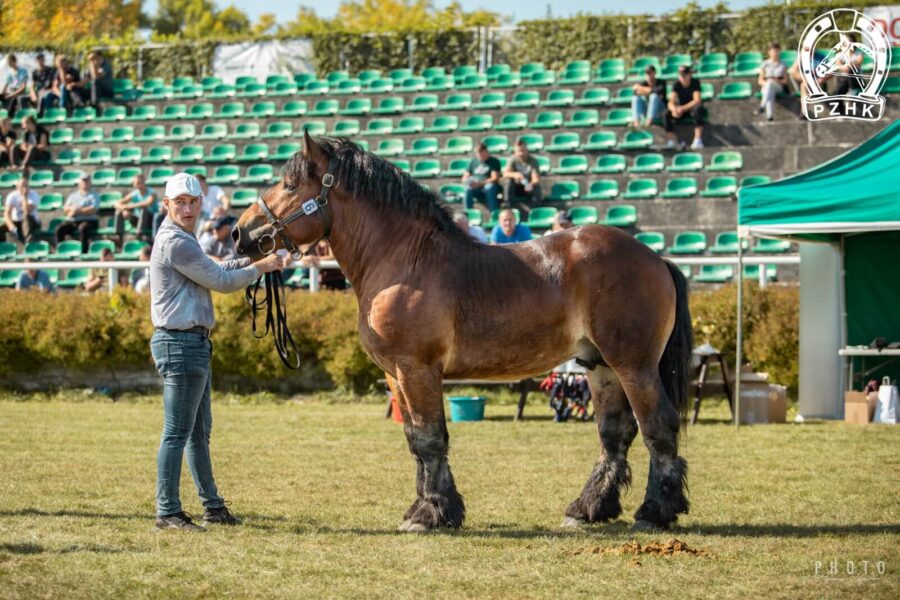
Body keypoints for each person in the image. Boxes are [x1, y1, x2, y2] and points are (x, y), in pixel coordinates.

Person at [150, 172, 288, 531]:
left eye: (193, 202)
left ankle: (212, 506)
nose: (187, 208)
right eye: (179, 202)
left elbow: (217, 268)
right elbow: (222, 282)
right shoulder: (176, 242)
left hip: (191, 344)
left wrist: (259, 262)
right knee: (178, 433)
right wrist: (260, 267)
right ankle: (167, 511)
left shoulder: (182, 239)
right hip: (181, 344)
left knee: (196, 433)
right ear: (167, 205)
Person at [56, 173, 100, 253]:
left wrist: (79, 210)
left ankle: (84, 252)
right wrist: (72, 210)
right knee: (60, 229)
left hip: (89, 220)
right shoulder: (73, 195)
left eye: (87, 181)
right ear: (79, 183)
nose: (85, 183)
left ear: (90, 183)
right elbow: (65, 208)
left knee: (83, 228)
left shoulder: (94, 195)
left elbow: (93, 209)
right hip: (74, 220)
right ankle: (62, 251)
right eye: (83, 181)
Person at [664, 65, 704, 150]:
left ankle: (698, 140)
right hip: (682, 110)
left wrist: (682, 108)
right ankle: (671, 141)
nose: (682, 77)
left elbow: (697, 100)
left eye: (684, 75)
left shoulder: (695, 83)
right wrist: (674, 109)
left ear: (689, 74)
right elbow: (671, 102)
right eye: (680, 75)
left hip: (690, 109)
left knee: (698, 110)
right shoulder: (676, 84)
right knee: (666, 114)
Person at [114, 173, 158, 243]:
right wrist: (123, 209)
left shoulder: (151, 192)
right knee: (118, 212)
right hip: (138, 219)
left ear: (144, 182)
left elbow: (147, 203)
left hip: (150, 220)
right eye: (137, 183)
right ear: (134, 184)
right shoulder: (135, 194)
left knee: (144, 210)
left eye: (141, 183)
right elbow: (116, 203)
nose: (139, 185)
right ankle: (119, 236)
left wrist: (131, 206)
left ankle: (139, 233)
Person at [462, 143, 501, 211]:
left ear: (486, 152)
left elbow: (494, 178)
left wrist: (480, 183)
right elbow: (465, 177)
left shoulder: (494, 161)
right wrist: (468, 182)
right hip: (475, 188)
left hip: (487, 187)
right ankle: (468, 213)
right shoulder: (473, 162)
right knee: (467, 189)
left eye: (482, 154)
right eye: (478, 154)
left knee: (490, 187)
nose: (480, 156)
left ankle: (494, 212)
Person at [502, 139, 542, 204]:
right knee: (508, 181)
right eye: (519, 151)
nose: (521, 153)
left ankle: (536, 206)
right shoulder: (512, 160)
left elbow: (536, 179)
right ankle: (507, 203)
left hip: (528, 186)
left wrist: (530, 184)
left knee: (537, 187)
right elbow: (505, 174)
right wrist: (515, 174)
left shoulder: (533, 161)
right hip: (516, 187)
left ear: (526, 150)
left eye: (523, 151)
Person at [2, 178, 41, 243]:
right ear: (17, 187)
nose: (24, 188)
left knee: (26, 217)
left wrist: (24, 196)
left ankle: (28, 241)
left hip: (32, 222)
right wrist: (11, 226)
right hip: (17, 221)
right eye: (22, 186)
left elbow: (27, 211)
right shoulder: (12, 196)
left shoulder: (34, 195)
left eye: (26, 186)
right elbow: (7, 213)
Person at [757, 43, 788, 122]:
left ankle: (762, 106)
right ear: (769, 52)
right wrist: (768, 83)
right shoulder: (765, 64)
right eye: (774, 51)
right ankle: (769, 116)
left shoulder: (783, 64)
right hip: (766, 86)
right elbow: (760, 81)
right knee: (769, 89)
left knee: (770, 86)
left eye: (777, 51)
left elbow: (785, 81)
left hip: (779, 86)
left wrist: (776, 81)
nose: (775, 53)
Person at [0, 54, 30, 119]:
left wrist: (11, 95)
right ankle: (2, 117)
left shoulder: (23, 71)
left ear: (14, 61)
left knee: (14, 99)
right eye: (8, 63)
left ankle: (9, 118)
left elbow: (23, 88)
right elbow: (6, 84)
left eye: (10, 62)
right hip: (12, 91)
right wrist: (2, 94)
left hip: (19, 92)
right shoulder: (10, 72)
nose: (9, 64)